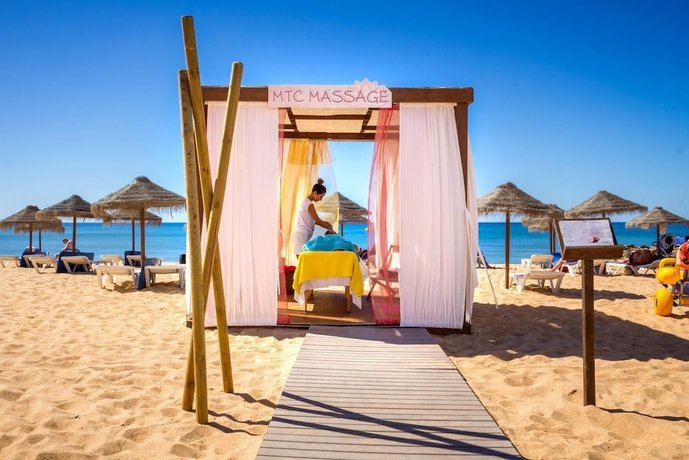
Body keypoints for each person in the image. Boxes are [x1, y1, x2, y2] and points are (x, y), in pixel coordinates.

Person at [292, 179, 334, 257]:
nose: (320, 199)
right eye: (320, 197)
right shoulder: (309, 204)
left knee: (303, 258)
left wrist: (326, 223)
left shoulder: (306, 202)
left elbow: (313, 220)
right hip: (301, 235)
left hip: (302, 234)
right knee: (302, 259)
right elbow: (318, 221)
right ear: (315, 193)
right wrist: (329, 227)